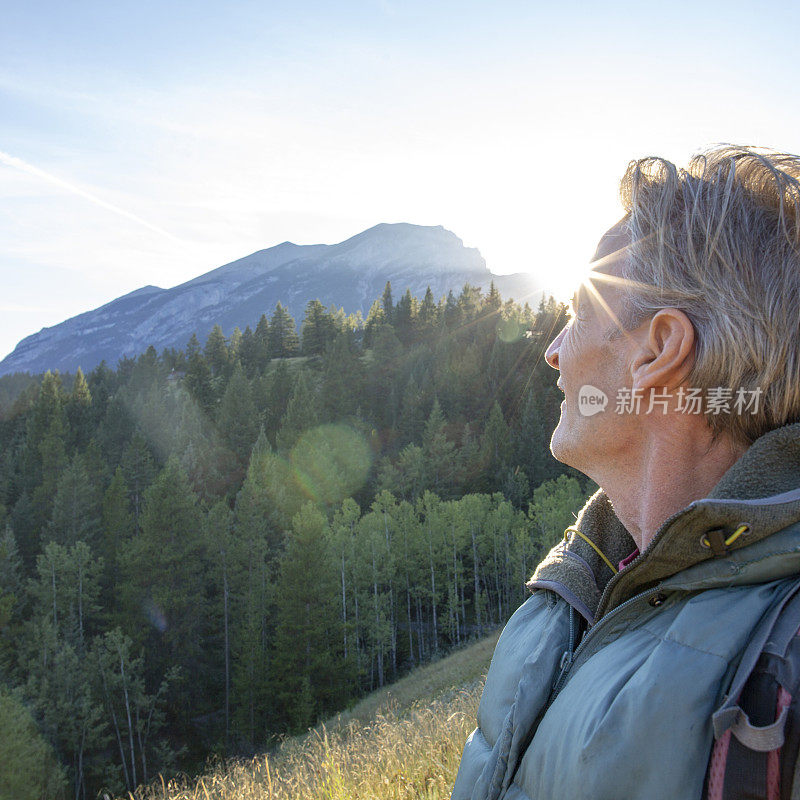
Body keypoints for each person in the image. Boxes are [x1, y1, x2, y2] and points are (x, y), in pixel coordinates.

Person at [452, 145, 800, 800]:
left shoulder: (786, 656)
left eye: (578, 313)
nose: (554, 353)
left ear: (660, 351)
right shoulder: (579, 579)